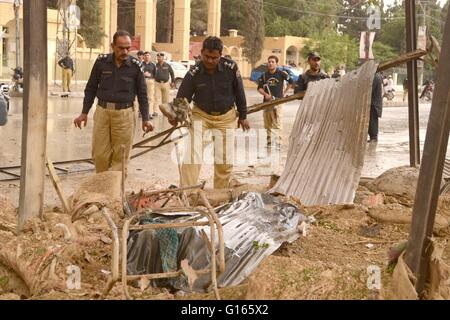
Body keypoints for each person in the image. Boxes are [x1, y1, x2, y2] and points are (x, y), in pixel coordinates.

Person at [171, 36, 250, 189]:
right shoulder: (194, 72)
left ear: (220, 55)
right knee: (192, 156)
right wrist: (177, 117)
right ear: (201, 53)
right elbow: (182, 95)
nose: (210, 61)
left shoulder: (231, 68)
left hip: (226, 117)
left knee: (224, 160)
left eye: (214, 58)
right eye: (207, 56)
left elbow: (239, 92)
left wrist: (243, 115)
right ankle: (187, 192)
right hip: (202, 115)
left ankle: (220, 193)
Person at [73, 30, 154, 174]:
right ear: (112, 46)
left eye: (128, 48)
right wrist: (84, 112)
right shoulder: (101, 62)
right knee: (100, 155)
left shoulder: (136, 66)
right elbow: (91, 88)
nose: (125, 51)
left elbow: (142, 94)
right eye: (121, 48)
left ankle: (115, 194)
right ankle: (103, 192)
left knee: (120, 158)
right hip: (102, 113)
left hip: (124, 115)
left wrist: (146, 119)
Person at [257, 55, 294, 149]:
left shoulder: (281, 73)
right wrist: (265, 94)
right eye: (269, 61)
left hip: (277, 102)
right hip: (266, 103)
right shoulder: (264, 75)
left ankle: (278, 142)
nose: (270, 63)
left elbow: (291, 82)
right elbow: (259, 88)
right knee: (267, 123)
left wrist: (284, 93)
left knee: (277, 123)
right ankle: (269, 142)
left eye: (272, 62)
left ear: (276, 63)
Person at [368, 72, 383, 143]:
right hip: (375, 103)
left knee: (373, 121)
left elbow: (370, 89)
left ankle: (373, 137)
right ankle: (373, 137)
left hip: (374, 104)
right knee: (372, 120)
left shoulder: (375, 77)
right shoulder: (376, 76)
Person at [142, 51, 157, 118]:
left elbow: (155, 74)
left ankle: (149, 113)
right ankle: (141, 112)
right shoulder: (140, 64)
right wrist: (143, 74)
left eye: (148, 55)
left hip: (150, 82)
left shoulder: (153, 65)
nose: (146, 56)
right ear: (143, 57)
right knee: (142, 97)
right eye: (145, 55)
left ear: (150, 57)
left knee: (150, 98)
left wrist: (150, 76)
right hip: (142, 81)